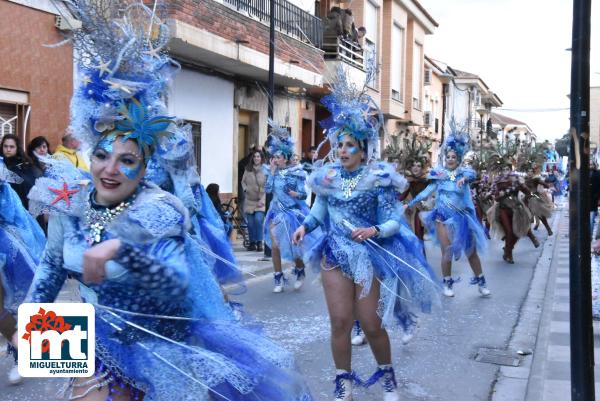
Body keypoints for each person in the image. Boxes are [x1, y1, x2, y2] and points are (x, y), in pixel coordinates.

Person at [19, 2, 314, 400]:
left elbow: (173, 279)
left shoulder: (159, 208)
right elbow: (52, 266)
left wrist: (122, 250)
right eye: (102, 155)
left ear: (144, 168)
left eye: (127, 161)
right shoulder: (68, 203)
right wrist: (33, 327)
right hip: (98, 341)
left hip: (166, 350)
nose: (109, 169)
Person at [293, 68, 439, 401]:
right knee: (340, 322)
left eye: (349, 146)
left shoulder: (377, 178)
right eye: (338, 144)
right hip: (334, 255)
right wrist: (305, 226)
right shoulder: (326, 177)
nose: (342, 150)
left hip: (367, 257)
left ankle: (388, 376)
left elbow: (394, 221)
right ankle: (343, 381)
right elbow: (319, 211)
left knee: (371, 324)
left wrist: (373, 229)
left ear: (363, 149)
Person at [406, 122, 490, 298]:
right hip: (442, 217)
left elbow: (473, 174)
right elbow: (427, 191)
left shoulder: (463, 174)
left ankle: (481, 282)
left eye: (453, 157)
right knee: (447, 252)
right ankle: (447, 283)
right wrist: (411, 202)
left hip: (461, 218)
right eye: (448, 157)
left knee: (471, 252)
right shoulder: (440, 175)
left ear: (458, 159)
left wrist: (463, 179)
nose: (450, 159)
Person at [0, 159, 46, 385]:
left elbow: (9, 212)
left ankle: (22, 356)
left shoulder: (3, 181)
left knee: (11, 307)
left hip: (6, 251)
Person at [264, 123, 314, 292]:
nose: (275, 160)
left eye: (278, 157)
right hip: (275, 213)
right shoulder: (272, 172)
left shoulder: (296, 173)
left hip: (291, 213)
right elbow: (268, 190)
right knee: (276, 246)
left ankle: (300, 270)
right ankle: (278, 278)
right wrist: (271, 174)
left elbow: (304, 195)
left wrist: (295, 194)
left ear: (285, 158)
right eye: (274, 157)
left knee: (294, 246)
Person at [487, 160, 539, 264]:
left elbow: (527, 192)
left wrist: (525, 189)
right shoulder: (498, 182)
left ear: (511, 170)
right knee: (509, 232)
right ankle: (509, 254)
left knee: (517, 232)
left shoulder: (517, 180)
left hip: (517, 208)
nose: (506, 171)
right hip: (503, 209)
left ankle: (507, 250)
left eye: (508, 169)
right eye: (503, 169)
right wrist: (500, 195)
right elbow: (496, 197)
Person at [0, 134, 38, 209]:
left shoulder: (25, 165)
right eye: (5, 146)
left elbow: (30, 186)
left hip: (22, 206)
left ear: (17, 148)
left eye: (12, 147)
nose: (8, 149)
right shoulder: (1, 163)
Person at [241, 150, 266, 251]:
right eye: (255, 156)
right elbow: (243, 182)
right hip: (249, 201)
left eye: (258, 156)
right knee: (250, 223)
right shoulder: (248, 169)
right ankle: (252, 242)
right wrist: (245, 189)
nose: (256, 158)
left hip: (260, 201)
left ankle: (259, 242)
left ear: (261, 158)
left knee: (258, 220)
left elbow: (268, 186)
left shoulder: (265, 170)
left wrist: (263, 200)